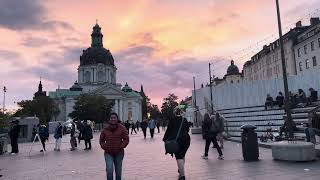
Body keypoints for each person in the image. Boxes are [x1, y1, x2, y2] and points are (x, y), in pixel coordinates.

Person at [100, 112, 129, 180]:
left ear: (117, 119)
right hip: (108, 153)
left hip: (119, 152)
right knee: (109, 170)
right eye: (111, 118)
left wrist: (121, 146)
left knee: (118, 172)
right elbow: (101, 140)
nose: (113, 119)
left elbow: (126, 139)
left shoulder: (122, 128)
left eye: (114, 118)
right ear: (109, 119)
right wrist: (105, 147)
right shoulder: (105, 129)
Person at [163, 107, 190, 180]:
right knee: (183, 155)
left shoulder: (172, 120)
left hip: (177, 141)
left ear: (174, 113)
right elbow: (187, 129)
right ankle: (180, 169)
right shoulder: (184, 119)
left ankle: (182, 176)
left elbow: (168, 131)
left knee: (179, 158)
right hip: (186, 140)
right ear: (181, 112)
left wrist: (165, 139)